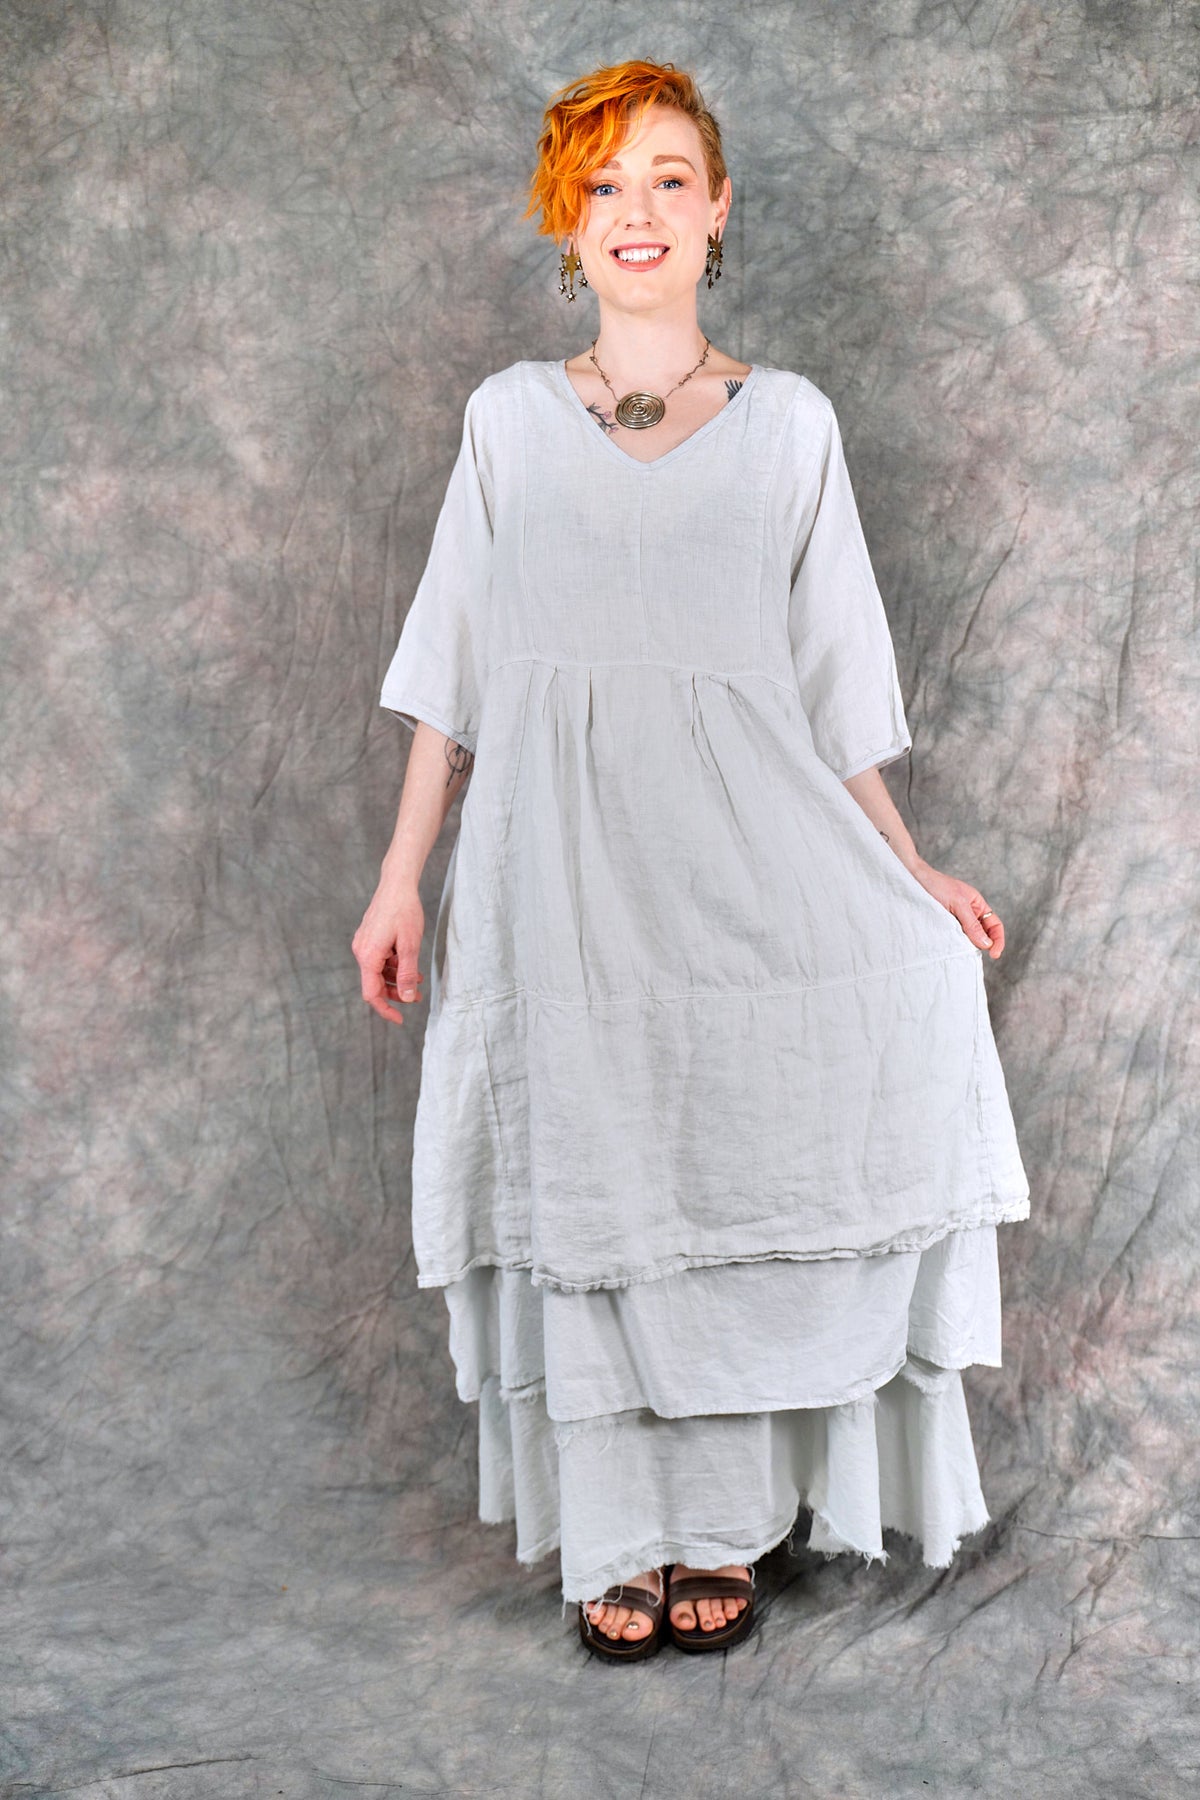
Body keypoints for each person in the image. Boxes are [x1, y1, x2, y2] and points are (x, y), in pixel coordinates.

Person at [352, 59, 1030, 1662]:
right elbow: (453, 677)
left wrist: (908, 872)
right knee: (594, 1182)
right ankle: (618, 1540)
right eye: (603, 185)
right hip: (555, 887)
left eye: (668, 178)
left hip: (746, 872)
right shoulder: (509, 423)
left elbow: (835, 689)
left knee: (725, 1161)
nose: (636, 210)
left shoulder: (790, 424)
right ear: (566, 223)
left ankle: (717, 1531)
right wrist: (397, 878)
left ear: (718, 210)